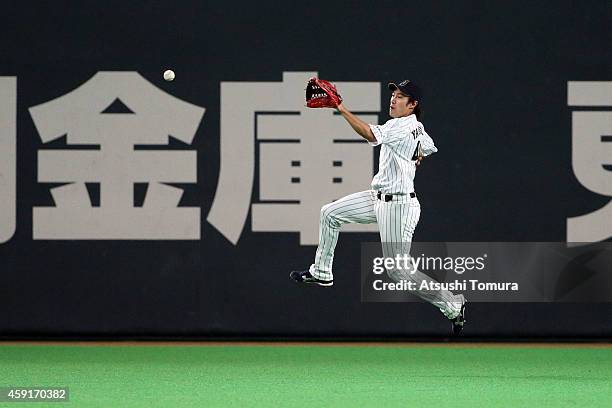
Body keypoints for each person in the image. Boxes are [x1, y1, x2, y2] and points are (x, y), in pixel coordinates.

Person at [290, 80, 466, 334]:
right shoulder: (416, 127)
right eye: (393, 94)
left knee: (398, 272)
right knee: (330, 213)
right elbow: (428, 146)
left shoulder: (402, 125)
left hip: (399, 206)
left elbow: (371, 134)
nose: (393, 99)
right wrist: (417, 156)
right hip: (378, 198)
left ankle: (452, 305)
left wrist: (340, 106)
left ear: (413, 104)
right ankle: (321, 272)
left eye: (401, 96)